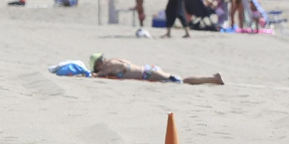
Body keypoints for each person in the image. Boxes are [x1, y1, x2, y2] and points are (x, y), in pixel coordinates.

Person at [89, 54, 223, 85]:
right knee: (177, 80)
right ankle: (212, 78)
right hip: (148, 71)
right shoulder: (116, 60)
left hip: (148, 74)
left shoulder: (109, 65)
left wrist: (91, 74)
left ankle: (213, 78)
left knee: (179, 81)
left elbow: (99, 75)